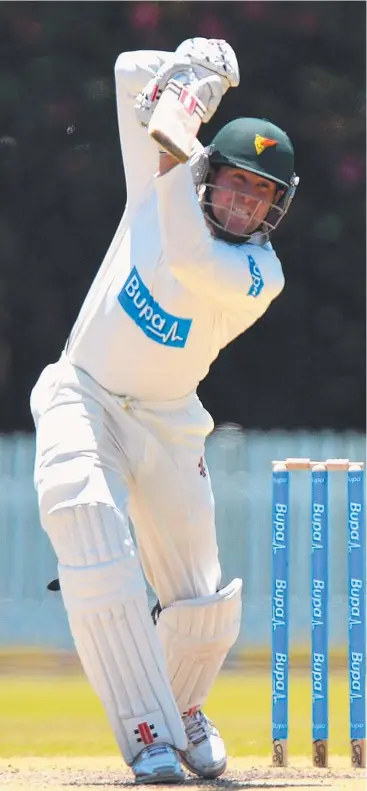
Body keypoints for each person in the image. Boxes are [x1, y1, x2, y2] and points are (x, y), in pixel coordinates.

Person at [31, 38, 298, 784]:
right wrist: (196, 72)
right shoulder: (160, 175)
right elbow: (126, 75)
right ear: (212, 177)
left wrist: (178, 142)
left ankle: (182, 706)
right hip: (82, 393)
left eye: (260, 194)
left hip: (169, 421)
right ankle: (147, 726)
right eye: (234, 182)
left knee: (201, 601)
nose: (244, 200)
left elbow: (182, 256)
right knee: (80, 510)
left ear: (275, 208)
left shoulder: (256, 273)